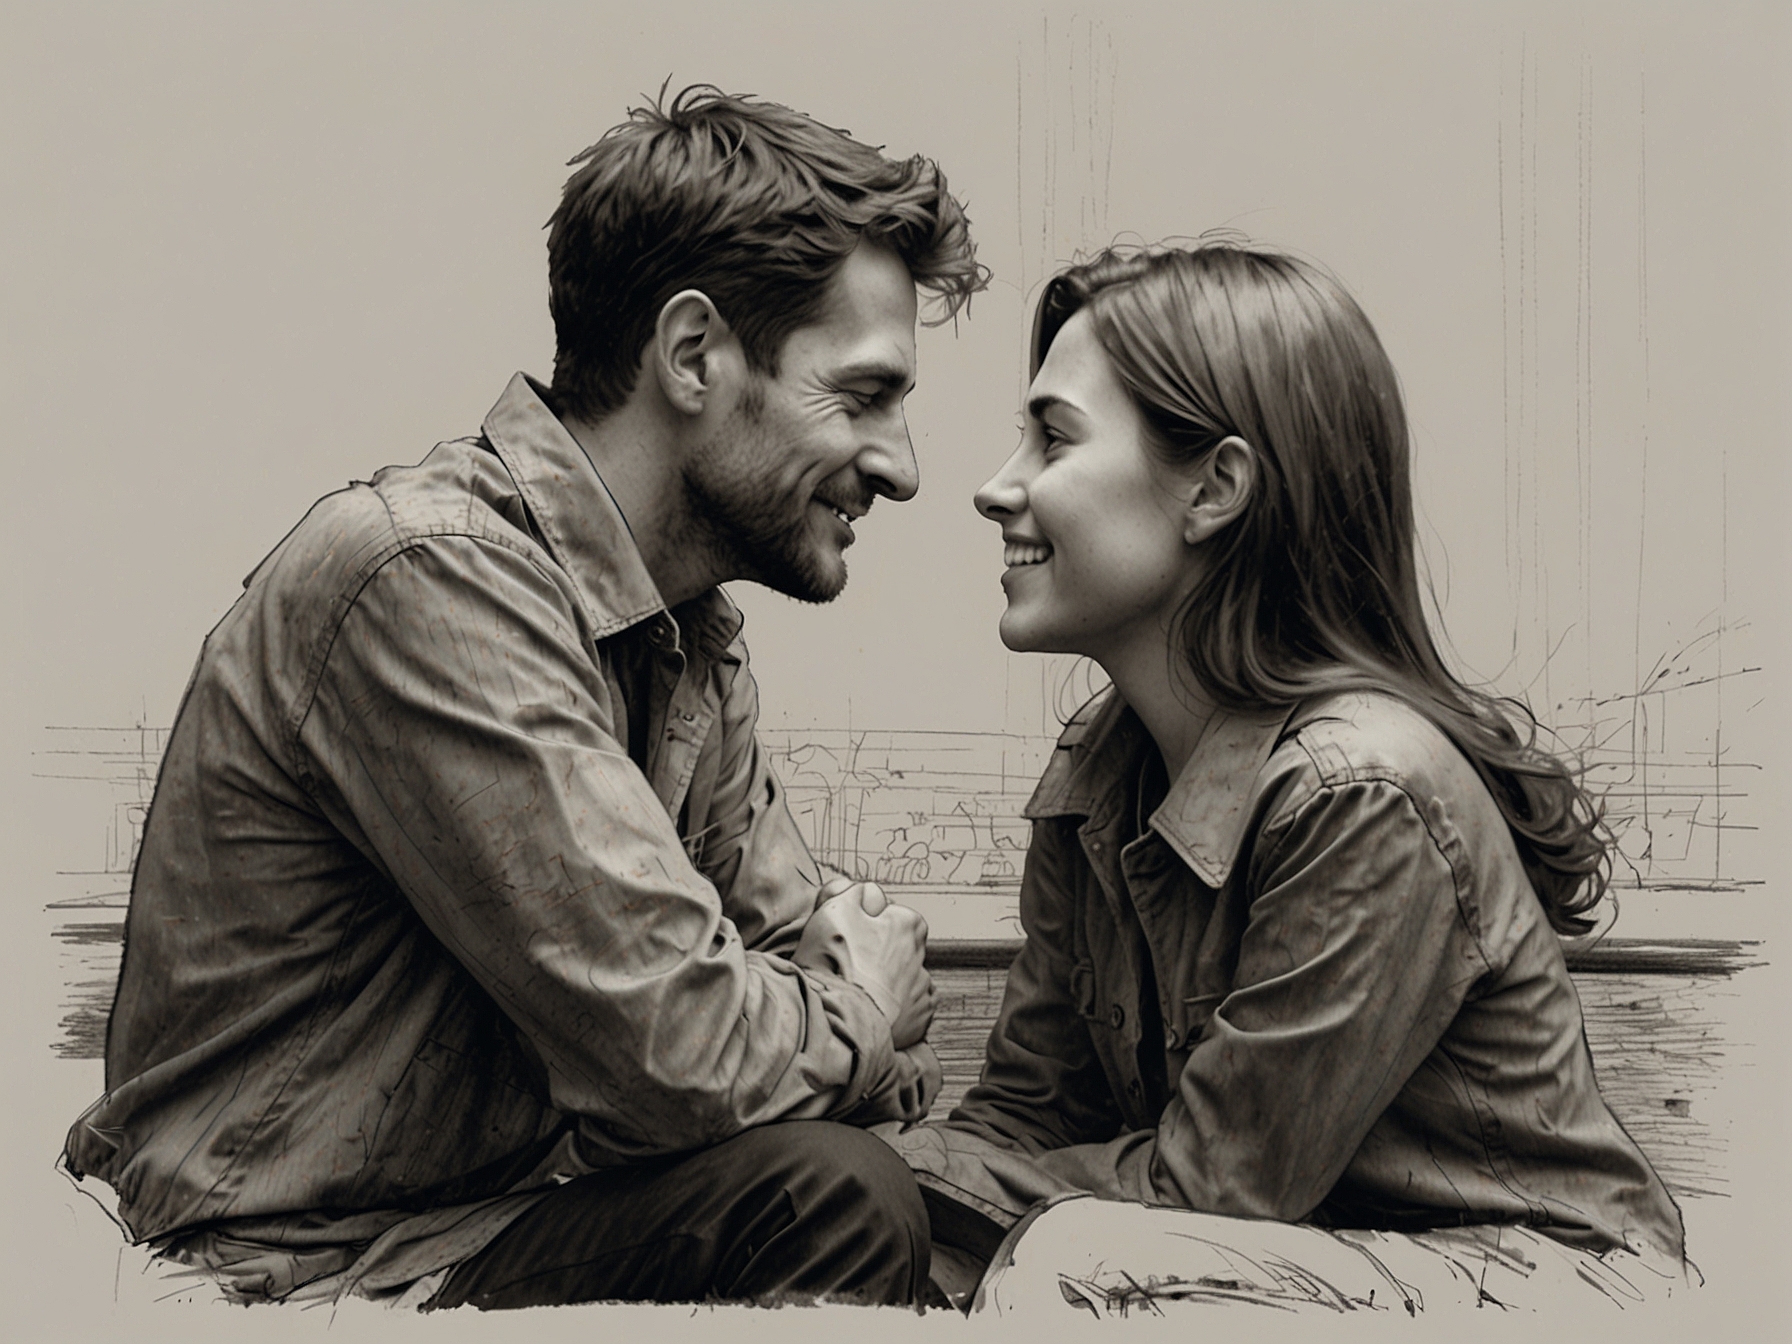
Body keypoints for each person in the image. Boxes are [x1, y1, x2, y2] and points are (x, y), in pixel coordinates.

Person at [60, 85, 987, 1310]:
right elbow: (687, 1052)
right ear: (695, 354)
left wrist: (831, 1024)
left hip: (481, 1230)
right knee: (831, 1200)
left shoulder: (691, 635)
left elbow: (770, 1002)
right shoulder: (426, 578)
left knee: (854, 1181)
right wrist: (858, 1013)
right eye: (862, 395)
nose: (904, 467)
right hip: (280, 1276)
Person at [887, 241, 1685, 1302]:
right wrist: (852, 1193)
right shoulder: (1096, 774)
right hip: (1267, 1272)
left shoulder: (1362, 794)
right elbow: (1028, 1118)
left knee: (1075, 1270)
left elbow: (1208, 1193)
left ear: (1213, 488)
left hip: (1543, 1287)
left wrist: (881, 1167)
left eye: (1051, 439)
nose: (997, 488)